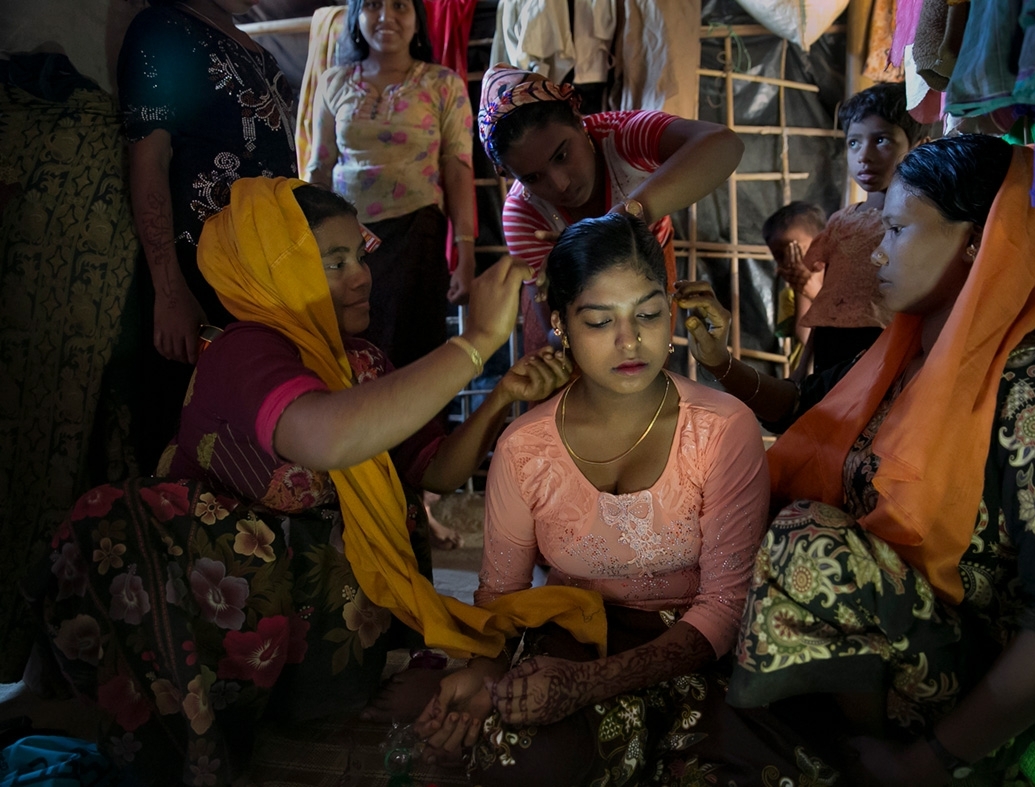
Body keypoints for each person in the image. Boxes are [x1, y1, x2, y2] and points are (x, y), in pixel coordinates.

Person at [26, 178, 609, 785]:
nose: (360, 276)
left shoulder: (362, 360)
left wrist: (498, 401)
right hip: (244, 620)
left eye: (357, 256)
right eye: (332, 263)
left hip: (333, 628)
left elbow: (435, 470)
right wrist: (473, 343)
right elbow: (326, 438)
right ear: (272, 271)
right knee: (129, 518)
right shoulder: (244, 350)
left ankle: (348, 678)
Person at [676, 135, 1035, 785]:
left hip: (949, 705)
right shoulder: (901, 356)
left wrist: (927, 761)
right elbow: (803, 410)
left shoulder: (1028, 387)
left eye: (898, 229)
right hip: (863, 652)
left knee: (806, 539)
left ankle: (851, 755)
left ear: (977, 241)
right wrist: (721, 364)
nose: (878, 250)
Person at [413, 213, 840, 785]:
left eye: (647, 313)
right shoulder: (525, 449)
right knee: (522, 764)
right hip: (575, 639)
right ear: (561, 323)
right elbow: (504, 598)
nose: (629, 341)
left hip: (697, 651)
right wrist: (482, 670)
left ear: (673, 311)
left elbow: (724, 605)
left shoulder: (720, 429)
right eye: (598, 321)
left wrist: (590, 685)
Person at [118, 0, 299, 468]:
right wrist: (169, 290)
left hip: (261, 277)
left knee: (250, 439)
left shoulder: (254, 48)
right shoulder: (164, 28)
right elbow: (149, 161)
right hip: (199, 276)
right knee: (186, 439)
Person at [477, 65, 745, 353]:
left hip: (648, 255)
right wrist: (574, 336)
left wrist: (624, 218)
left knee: (651, 360)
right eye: (532, 178)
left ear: (579, 120)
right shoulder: (525, 215)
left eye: (562, 155)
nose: (560, 183)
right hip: (575, 296)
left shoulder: (623, 136)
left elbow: (725, 144)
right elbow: (553, 335)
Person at [308, 0, 475, 369]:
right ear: (356, 17)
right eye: (372, 6)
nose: (386, 17)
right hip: (347, 245)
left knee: (416, 359)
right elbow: (319, 166)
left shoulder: (442, 83)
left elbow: (458, 168)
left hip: (417, 237)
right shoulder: (333, 82)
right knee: (349, 357)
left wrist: (466, 254)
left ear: (418, 19)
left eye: (400, 6)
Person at [778, 83, 926, 374]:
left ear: (918, 147)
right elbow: (828, 301)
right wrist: (802, 367)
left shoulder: (918, 224)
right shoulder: (841, 222)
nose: (864, 156)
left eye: (881, 140)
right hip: (832, 349)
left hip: (886, 346)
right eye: (854, 143)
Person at [762, 201, 827, 359]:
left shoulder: (837, 277)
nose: (788, 261)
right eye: (779, 256)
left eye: (795, 251)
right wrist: (801, 289)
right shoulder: (790, 292)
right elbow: (803, 335)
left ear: (820, 242)